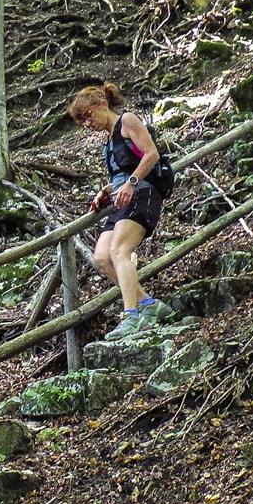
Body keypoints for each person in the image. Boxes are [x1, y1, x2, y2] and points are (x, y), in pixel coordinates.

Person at [69, 82, 173, 340]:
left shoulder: (127, 121)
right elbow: (122, 171)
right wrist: (106, 191)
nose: (86, 123)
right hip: (122, 198)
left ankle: (132, 316)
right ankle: (150, 305)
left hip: (142, 194)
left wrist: (131, 183)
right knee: (102, 257)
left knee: (119, 251)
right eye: (81, 120)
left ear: (101, 104)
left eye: (87, 115)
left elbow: (151, 154)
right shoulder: (109, 139)